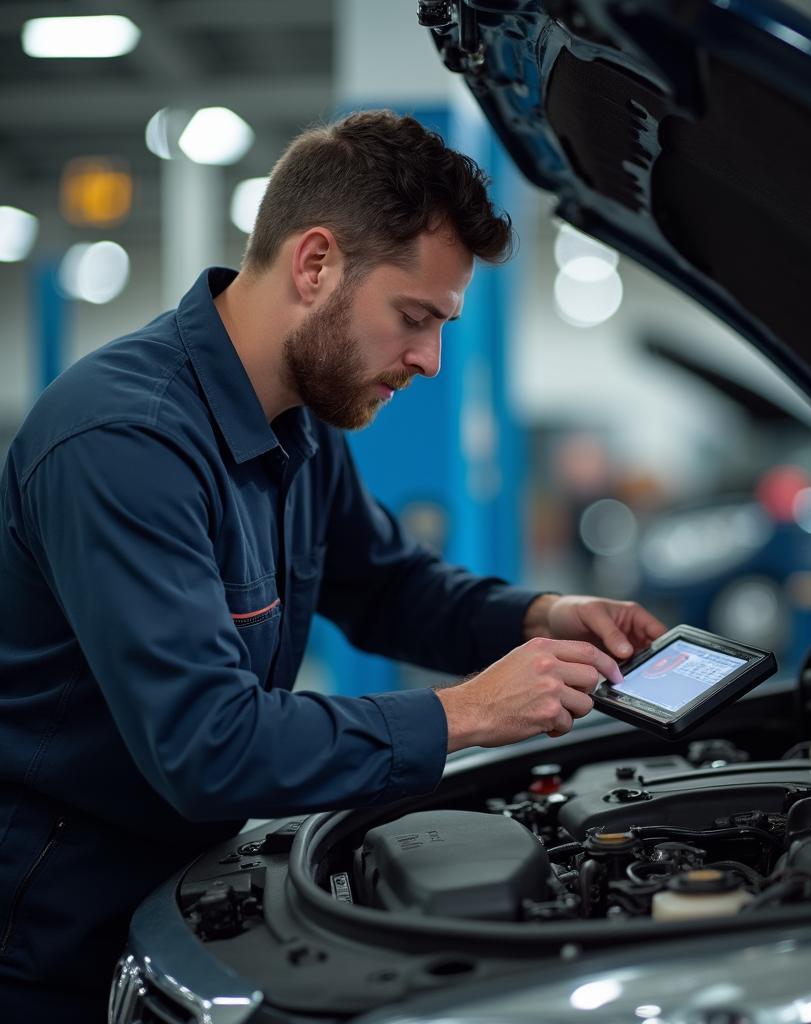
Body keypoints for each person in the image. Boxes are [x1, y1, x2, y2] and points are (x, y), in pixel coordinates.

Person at [0, 110, 666, 1020]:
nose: (430, 360)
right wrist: (463, 714)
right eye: (413, 317)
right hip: (49, 934)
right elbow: (211, 746)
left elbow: (385, 583)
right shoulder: (125, 442)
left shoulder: (300, 417)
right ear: (315, 264)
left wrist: (539, 614)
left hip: (176, 895)